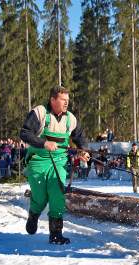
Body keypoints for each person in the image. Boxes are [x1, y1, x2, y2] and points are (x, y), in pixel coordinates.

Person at [20, 86, 89, 244]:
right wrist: (44, 143)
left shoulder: (70, 119)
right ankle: (34, 214)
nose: (66, 103)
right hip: (38, 159)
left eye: (68, 100)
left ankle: (56, 233)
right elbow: (24, 133)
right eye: (63, 100)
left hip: (59, 161)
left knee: (57, 193)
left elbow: (80, 138)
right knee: (40, 196)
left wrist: (83, 151)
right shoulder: (40, 113)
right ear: (52, 100)